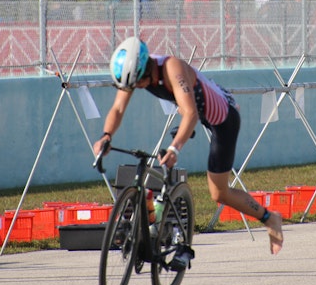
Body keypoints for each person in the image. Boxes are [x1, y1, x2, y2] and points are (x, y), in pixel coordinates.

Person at [93, 37, 284, 255]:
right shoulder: (136, 71)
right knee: (173, 138)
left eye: (138, 83)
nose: (137, 88)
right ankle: (157, 219)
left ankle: (270, 218)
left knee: (219, 193)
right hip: (193, 109)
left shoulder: (172, 68)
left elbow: (191, 113)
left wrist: (175, 148)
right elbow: (118, 108)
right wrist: (106, 136)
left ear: (147, 69)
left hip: (224, 119)